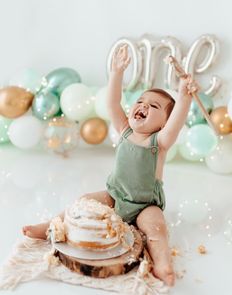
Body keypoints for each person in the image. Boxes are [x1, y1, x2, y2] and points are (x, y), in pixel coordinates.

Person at [22, 44, 198, 287]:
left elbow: (176, 122)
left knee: (156, 229)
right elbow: (114, 104)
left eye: (154, 106)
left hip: (145, 204)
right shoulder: (125, 131)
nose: (144, 106)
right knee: (84, 200)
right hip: (114, 196)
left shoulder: (159, 142)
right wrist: (116, 73)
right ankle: (51, 227)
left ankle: (163, 264)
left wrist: (184, 96)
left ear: (162, 124)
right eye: (141, 101)